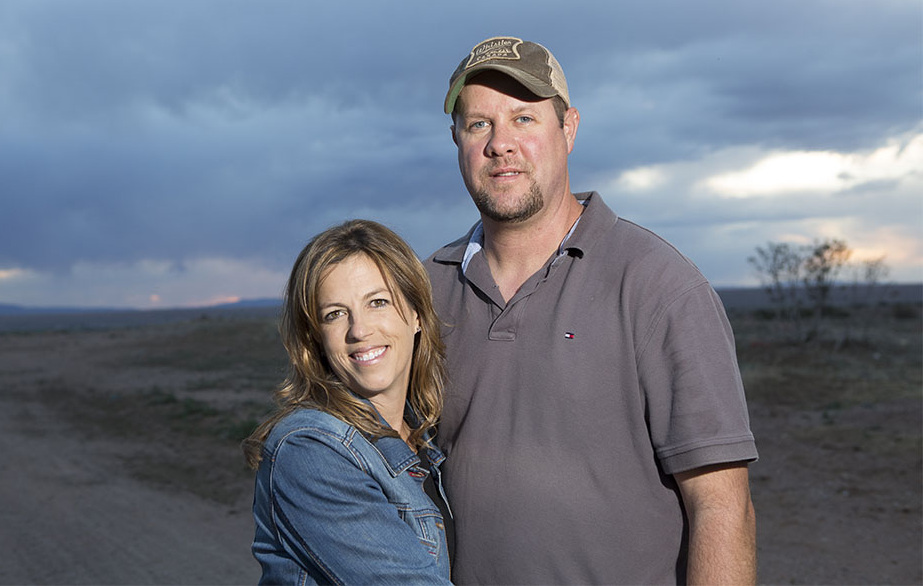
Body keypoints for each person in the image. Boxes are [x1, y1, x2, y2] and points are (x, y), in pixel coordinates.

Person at [426, 36, 758, 585]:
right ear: (456, 139)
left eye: (524, 119)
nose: (500, 144)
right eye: (478, 124)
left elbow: (722, 508)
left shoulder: (657, 285)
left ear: (569, 129)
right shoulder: (424, 291)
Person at [243, 219, 454, 584]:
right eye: (335, 314)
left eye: (378, 302)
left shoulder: (422, 435)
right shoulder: (311, 449)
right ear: (316, 338)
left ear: (417, 316)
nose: (359, 330)